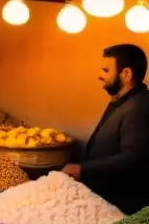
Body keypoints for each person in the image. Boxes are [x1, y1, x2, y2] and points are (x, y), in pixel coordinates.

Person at [63, 43, 149, 214]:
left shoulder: (139, 107)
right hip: (103, 199)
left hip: (122, 207)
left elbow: (135, 159)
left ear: (126, 74)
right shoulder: (121, 101)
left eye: (105, 70)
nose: (100, 76)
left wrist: (83, 170)